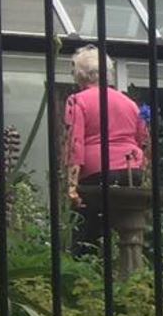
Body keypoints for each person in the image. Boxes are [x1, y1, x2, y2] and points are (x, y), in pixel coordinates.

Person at [63, 46, 149, 249]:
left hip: (97, 172)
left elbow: (75, 143)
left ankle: (89, 268)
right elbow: (143, 139)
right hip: (131, 170)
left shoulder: (77, 101)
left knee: (88, 231)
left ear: (80, 74)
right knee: (125, 225)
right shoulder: (129, 103)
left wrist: (72, 184)